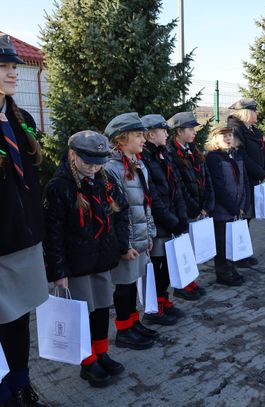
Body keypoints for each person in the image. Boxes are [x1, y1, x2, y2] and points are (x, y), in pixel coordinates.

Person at [43, 131, 128, 388]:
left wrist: (120, 247)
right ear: (73, 154)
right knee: (82, 312)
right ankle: (87, 361)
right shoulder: (59, 187)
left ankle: (101, 351)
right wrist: (58, 270)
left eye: (98, 160)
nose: (93, 166)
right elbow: (52, 233)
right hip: (76, 265)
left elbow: (119, 213)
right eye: (87, 160)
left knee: (101, 307)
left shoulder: (102, 179)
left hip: (101, 259)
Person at [0, 34, 49, 406]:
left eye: (13, 66)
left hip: (23, 240)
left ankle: (21, 384)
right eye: (3, 67)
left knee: (19, 320)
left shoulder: (22, 119)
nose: (12, 72)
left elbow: (32, 177)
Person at [104, 112, 157, 350]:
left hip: (139, 238)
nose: (143, 140)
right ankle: (123, 330)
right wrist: (122, 245)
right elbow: (115, 212)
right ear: (121, 139)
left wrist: (149, 234)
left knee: (134, 282)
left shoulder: (139, 164)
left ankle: (134, 323)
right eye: (138, 135)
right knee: (124, 287)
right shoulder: (111, 169)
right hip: (126, 242)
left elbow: (145, 203)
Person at [140, 114, 188, 324]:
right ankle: (154, 309)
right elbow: (153, 197)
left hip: (171, 221)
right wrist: (171, 220)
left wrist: (181, 217)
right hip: (160, 224)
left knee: (168, 265)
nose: (167, 134)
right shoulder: (145, 159)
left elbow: (175, 187)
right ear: (151, 134)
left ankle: (163, 300)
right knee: (158, 267)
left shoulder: (162, 154)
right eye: (163, 131)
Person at [167, 112, 212, 300]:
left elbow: (205, 177)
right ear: (179, 131)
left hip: (199, 206)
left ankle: (191, 281)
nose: (194, 132)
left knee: (193, 247)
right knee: (184, 248)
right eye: (190, 129)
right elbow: (180, 185)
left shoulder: (193, 149)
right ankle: (182, 285)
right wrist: (194, 207)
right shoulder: (171, 153)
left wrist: (207, 204)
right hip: (188, 209)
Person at [227, 99, 265, 267]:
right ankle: (237, 255)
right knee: (242, 218)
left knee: (247, 217)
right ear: (246, 112)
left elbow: (263, 152)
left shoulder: (252, 129)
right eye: (254, 111)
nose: (257, 114)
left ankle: (243, 252)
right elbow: (242, 156)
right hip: (245, 178)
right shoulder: (236, 129)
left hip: (256, 177)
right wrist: (260, 172)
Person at [205, 126, 250, 286]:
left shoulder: (236, 155)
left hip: (237, 207)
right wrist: (233, 207)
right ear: (215, 139)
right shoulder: (213, 157)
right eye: (223, 136)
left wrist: (244, 204)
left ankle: (232, 269)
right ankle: (223, 273)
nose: (228, 138)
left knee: (232, 241)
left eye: (230, 135)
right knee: (222, 242)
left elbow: (244, 181)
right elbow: (218, 186)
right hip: (223, 209)